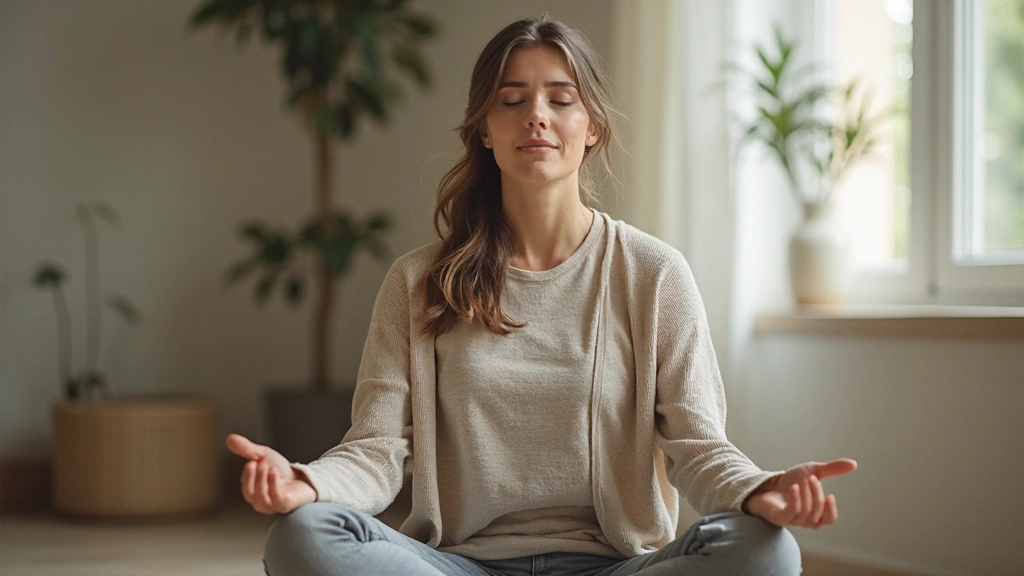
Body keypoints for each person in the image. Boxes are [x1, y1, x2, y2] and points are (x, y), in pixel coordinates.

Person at [227, 14, 857, 576]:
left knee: (769, 551)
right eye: (513, 100)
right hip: (457, 565)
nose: (537, 115)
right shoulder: (419, 281)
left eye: (562, 100)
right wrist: (305, 484)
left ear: (593, 129)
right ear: (484, 131)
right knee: (304, 537)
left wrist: (756, 491)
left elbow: (698, 446)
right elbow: (378, 449)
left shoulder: (652, 273)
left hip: (614, 566)